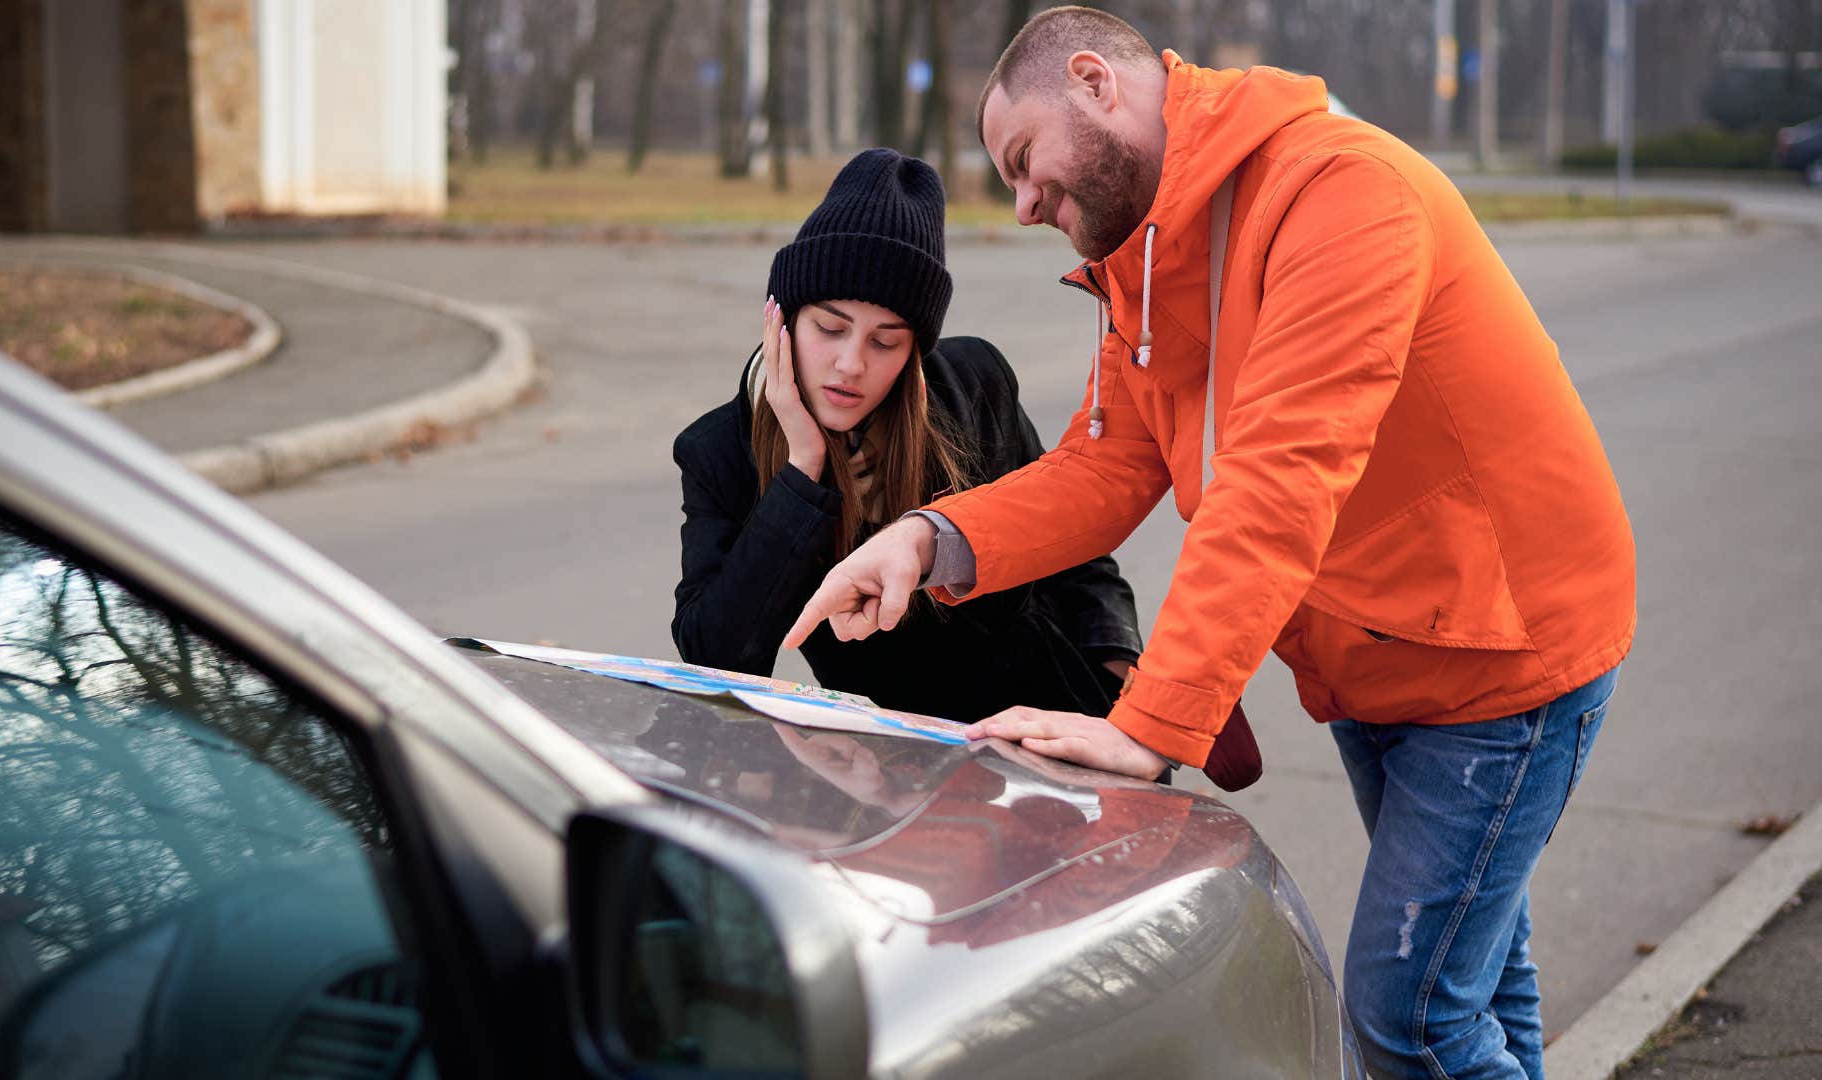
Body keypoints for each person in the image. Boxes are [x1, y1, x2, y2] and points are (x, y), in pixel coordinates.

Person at [783, 9, 1636, 1080]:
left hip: (1502, 657)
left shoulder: (1340, 192)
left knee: (1410, 1015)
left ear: (1094, 82)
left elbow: (1279, 481)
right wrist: (927, 538)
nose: (1023, 203)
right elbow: (1105, 467)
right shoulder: (1150, 255)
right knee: (1470, 986)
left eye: (1024, 162)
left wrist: (1148, 727)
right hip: (1377, 655)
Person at [675, 149, 1200, 747]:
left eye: (885, 341)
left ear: (914, 352)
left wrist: (1114, 669)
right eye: (829, 327)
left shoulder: (969, 387)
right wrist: (802, 470)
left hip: (1046, 733)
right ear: (784, 320)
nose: (851, 365)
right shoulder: (720, 450)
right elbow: (717, 653)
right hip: (889, 772)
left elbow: (1071, 540)